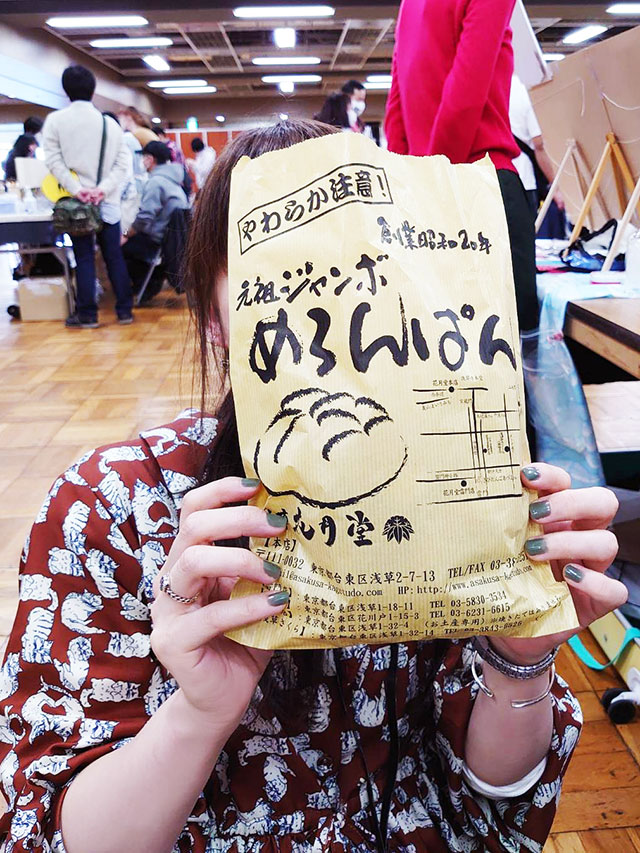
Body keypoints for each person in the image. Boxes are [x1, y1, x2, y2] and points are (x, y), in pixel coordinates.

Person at [0, 120, 626, 853]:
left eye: (378, 269)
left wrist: (521, 657)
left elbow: (490, 794)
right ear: (215, 317)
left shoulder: (474, 493)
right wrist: (197, 714)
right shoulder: (110, 505)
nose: (345, 313)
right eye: (289, 277)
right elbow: (52, 830)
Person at [384, 0, 539, 332]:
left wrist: (410, 185)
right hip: (479, 186)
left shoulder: (410, 5)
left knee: (437, 340)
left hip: (422, 196)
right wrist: (437, 182)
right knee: (513, 344)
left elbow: (396, 111)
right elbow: (465, 95)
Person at [42, 64, 133, 327]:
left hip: (76, 205)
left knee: (83, 258)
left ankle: (88, 315)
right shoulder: (109, 124)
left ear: (65, 90)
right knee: (113, 257)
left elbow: (53, 161)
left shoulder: (55, 121)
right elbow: (122, 163)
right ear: (93, 90)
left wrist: (77, 189)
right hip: (108, 203)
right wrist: (102, 189)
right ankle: (124, 311)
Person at [121, 140, 189, 301]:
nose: (142, 161)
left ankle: (145, 286)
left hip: (160, 239)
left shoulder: (155, 182)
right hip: (172, 239)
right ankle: (154, 279)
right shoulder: (173, 180)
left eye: (143, 157)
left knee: (120, 250)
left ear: (150, 159)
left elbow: (145, 217)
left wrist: (126, 234)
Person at [509, 73, 567, 238]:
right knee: (523, 240)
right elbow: (539, 144)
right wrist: (556, 188)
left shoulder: (491, 85)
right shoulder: (529, 90)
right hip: (522, 179)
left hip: (491, 175)